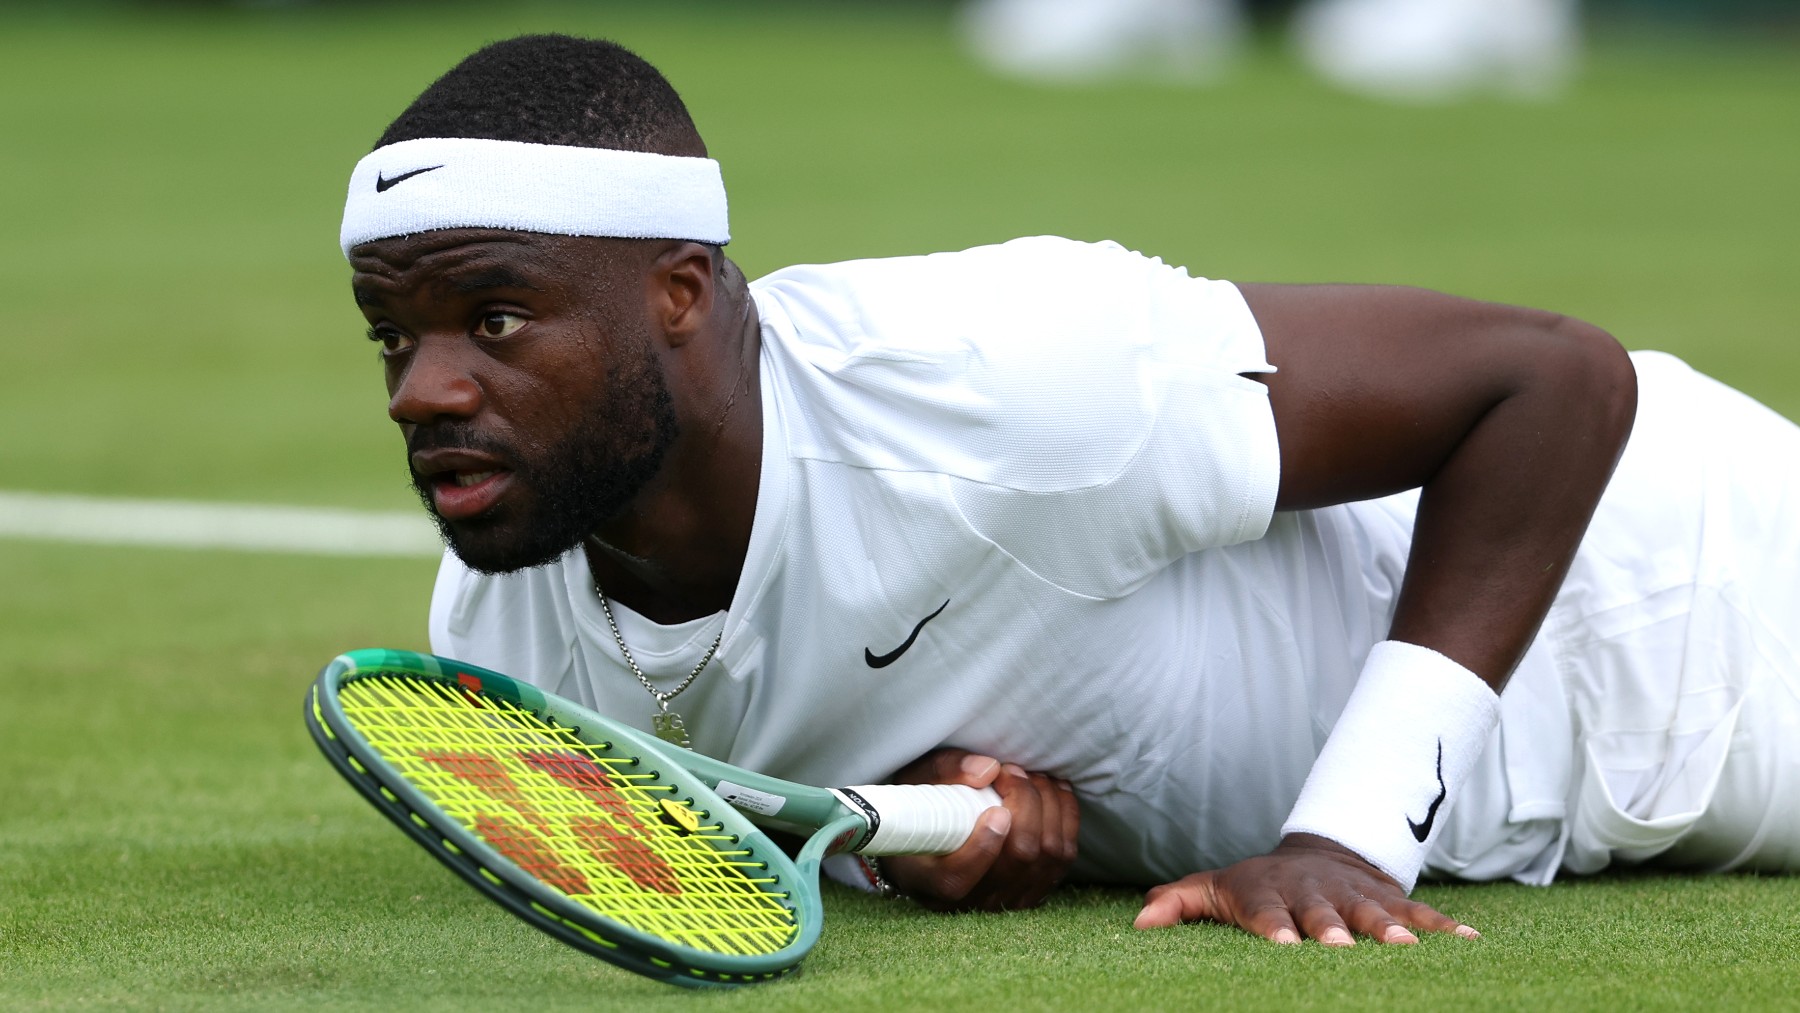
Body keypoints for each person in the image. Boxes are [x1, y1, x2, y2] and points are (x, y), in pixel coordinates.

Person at [340, 34, 1800, 946]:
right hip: (1564, 801)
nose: (425, 389)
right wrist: (926, 834)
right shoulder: (495, 651)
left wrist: (1345, 833)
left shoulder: (999, 375)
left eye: (498, 319)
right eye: (394, 336)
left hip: (1687, 602)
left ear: (675, 291)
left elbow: (1548, 381)